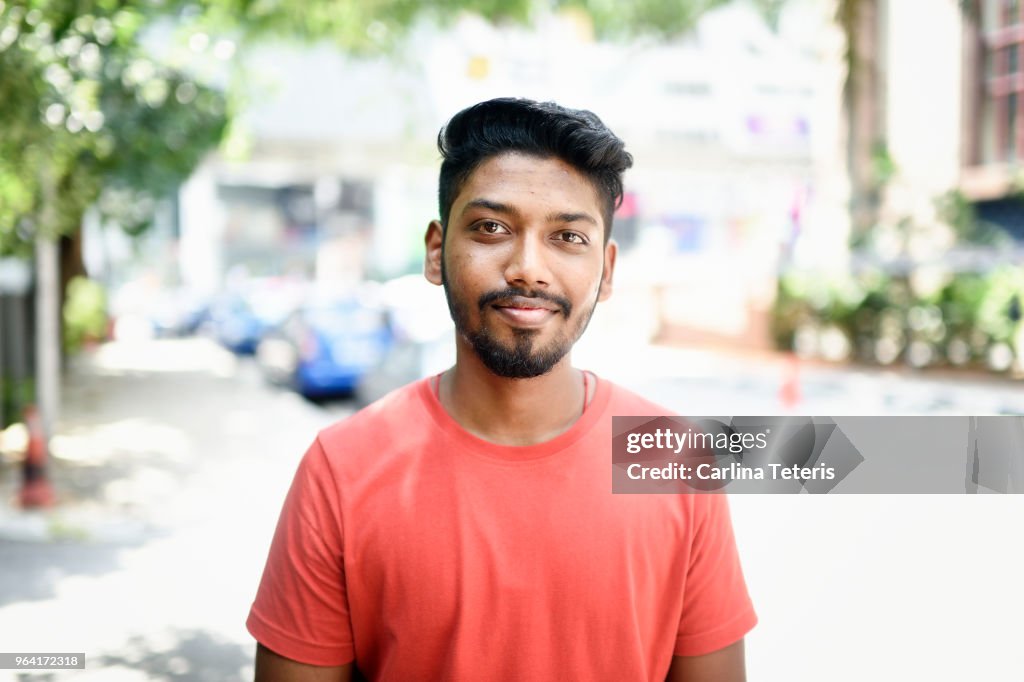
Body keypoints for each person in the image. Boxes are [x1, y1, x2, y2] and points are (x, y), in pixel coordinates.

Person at [247, 97, 757, 681]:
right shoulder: (341, 470)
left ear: (607, 272)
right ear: (437, 250)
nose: (528, 268)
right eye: (492, 228)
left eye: (567, 236)